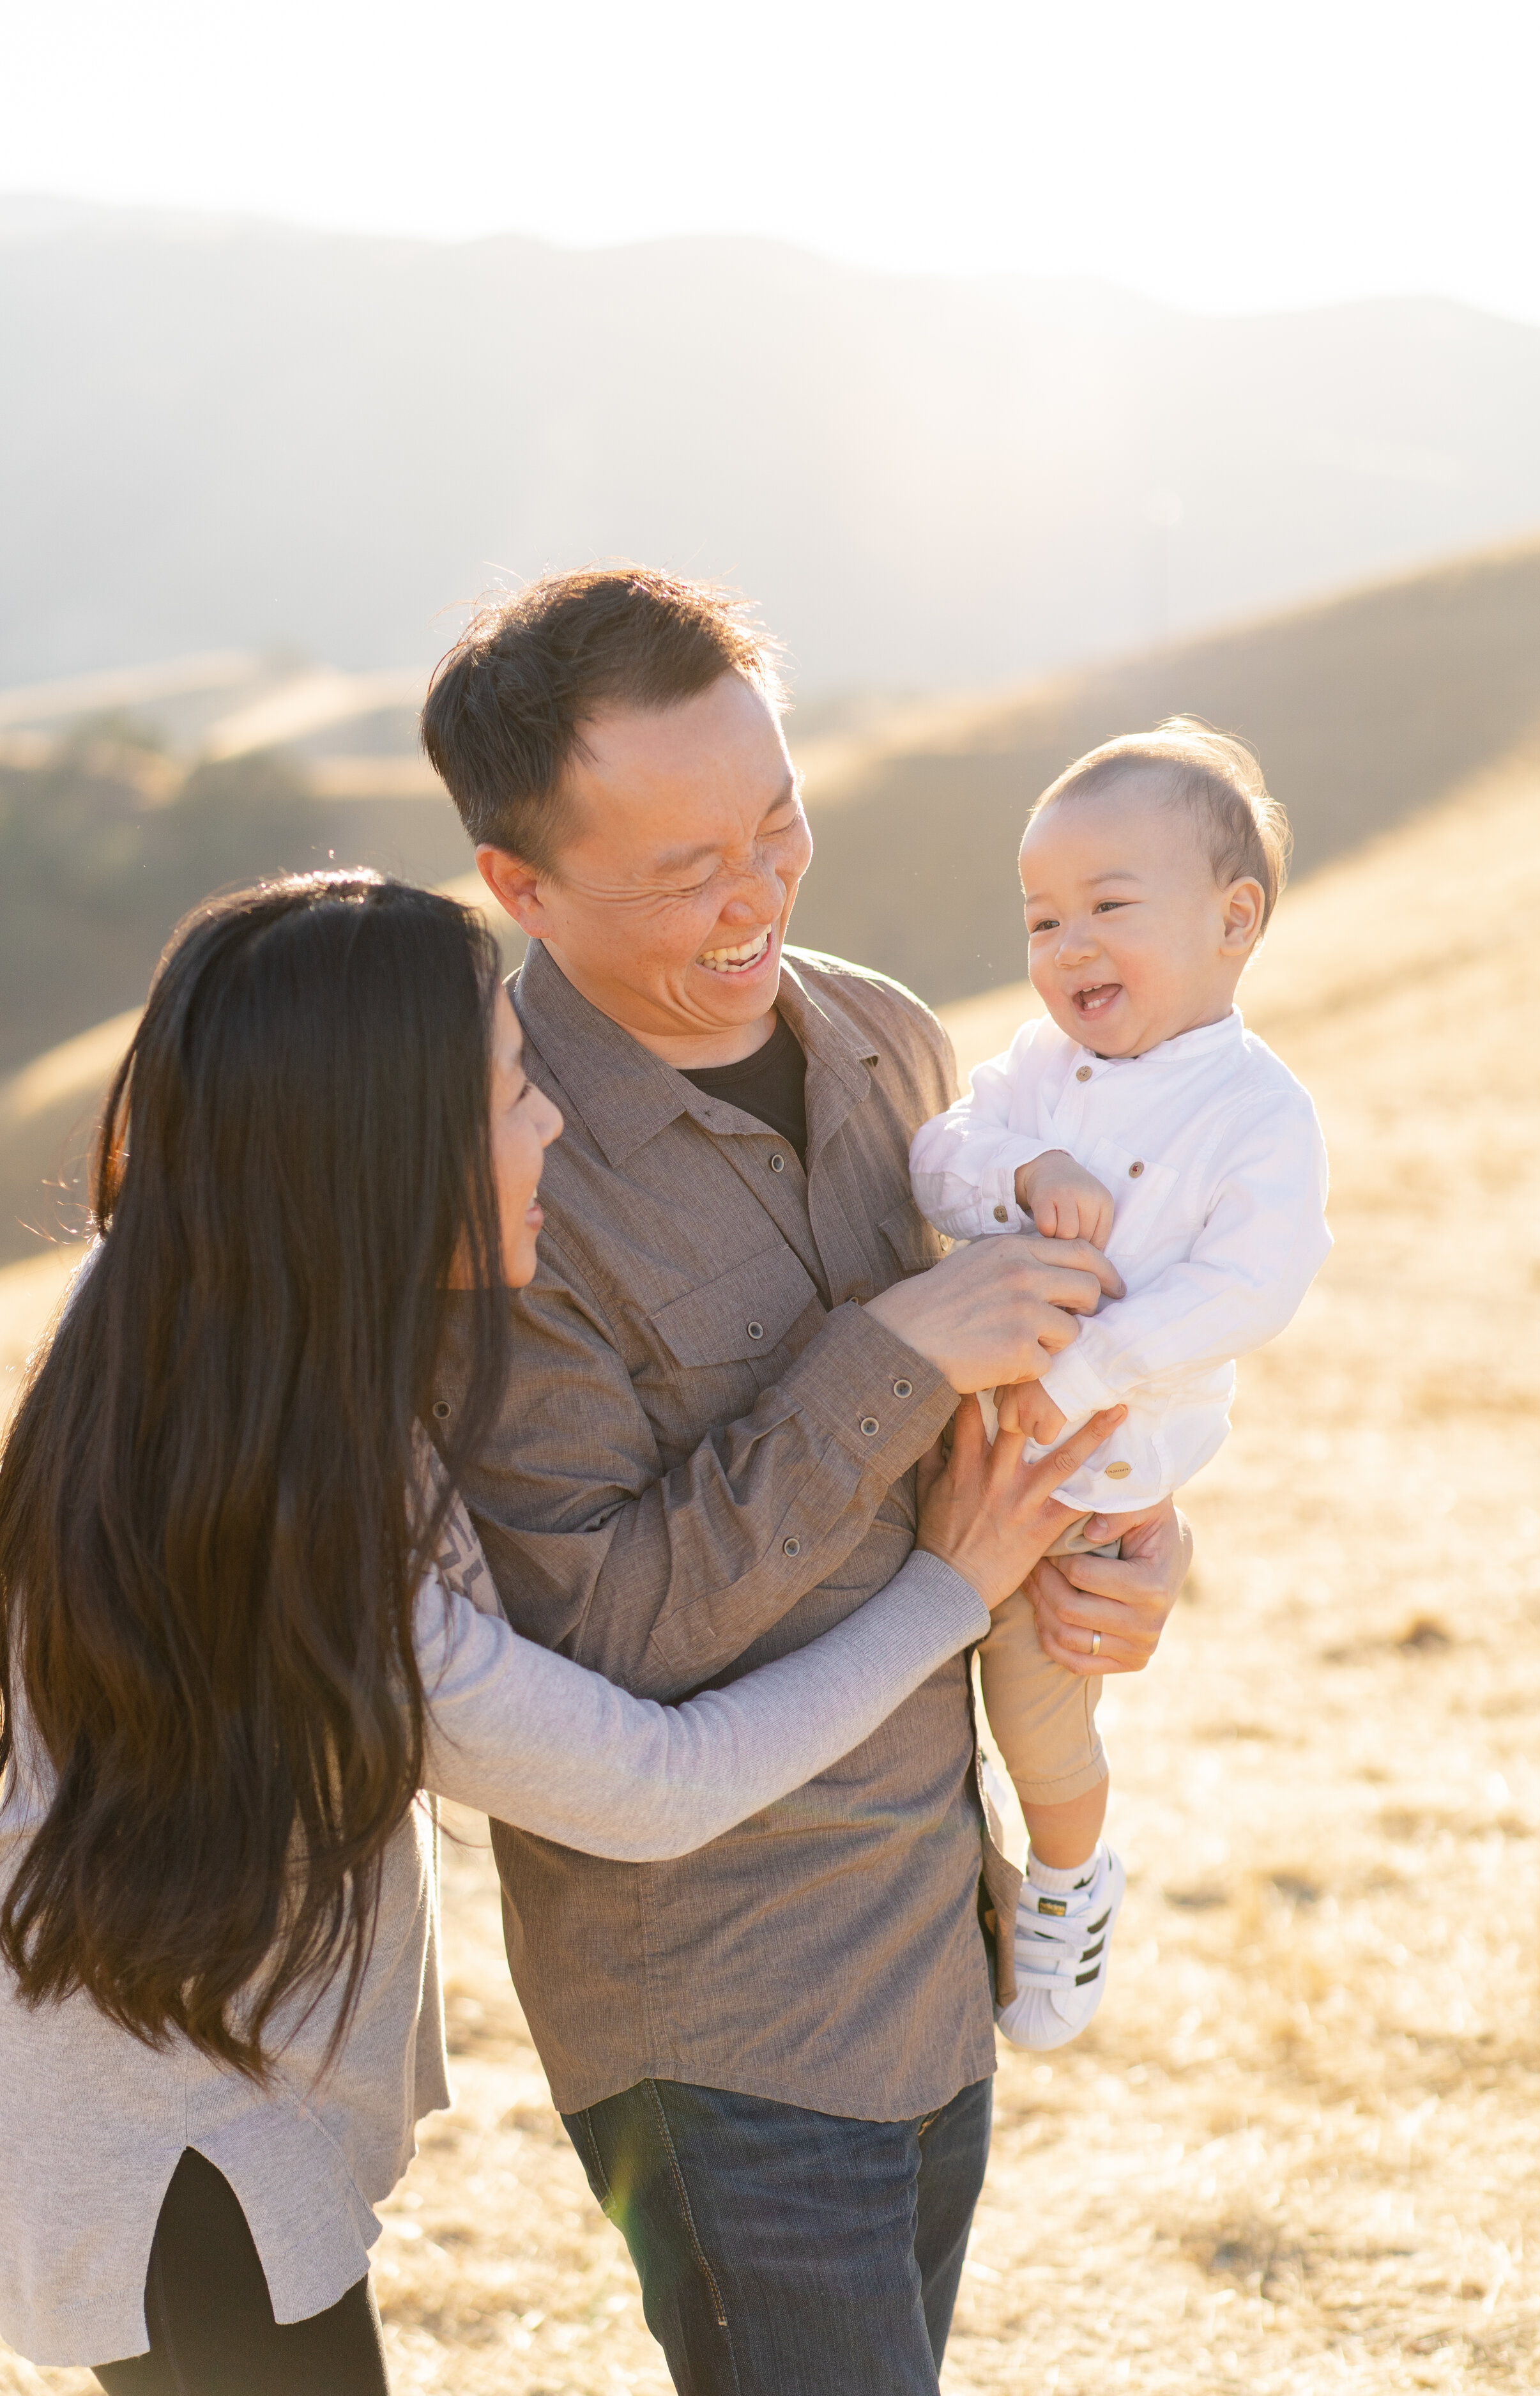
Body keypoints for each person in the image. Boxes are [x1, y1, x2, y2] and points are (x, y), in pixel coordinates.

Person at [0, 874, 1108, 2393]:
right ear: (386, 1148)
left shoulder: (181, 1356)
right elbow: (651, 1786)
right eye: (514, 1091)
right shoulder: (305, 1520)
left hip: (161, 2108)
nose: (551, 1132)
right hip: (181, 2156)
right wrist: (945, 1592)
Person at [420, 567, 1194, 2395]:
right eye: (686, 866)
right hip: (723, 2017)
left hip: (938, 1941)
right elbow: (594, 1639)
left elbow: (1035, 1402)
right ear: (517, 886)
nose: (758, 893)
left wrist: (1127, 1546)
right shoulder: (495, 1169)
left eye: (776, 822)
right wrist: (897, 1350)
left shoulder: (889, 1042)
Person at [910, 719, 1331, 2051]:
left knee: (1036, 1709)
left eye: (1105, 907)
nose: (1067, 947)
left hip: (1084, 1481)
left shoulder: (1257, 1115)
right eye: (1040, 921)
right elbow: (938, 1153)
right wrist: (1020, 1176)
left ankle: (1066, 1879)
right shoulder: (1033, 1075)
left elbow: (1249, 1291)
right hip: (946, 1441)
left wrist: (1092, 1361)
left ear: (1231, 919)